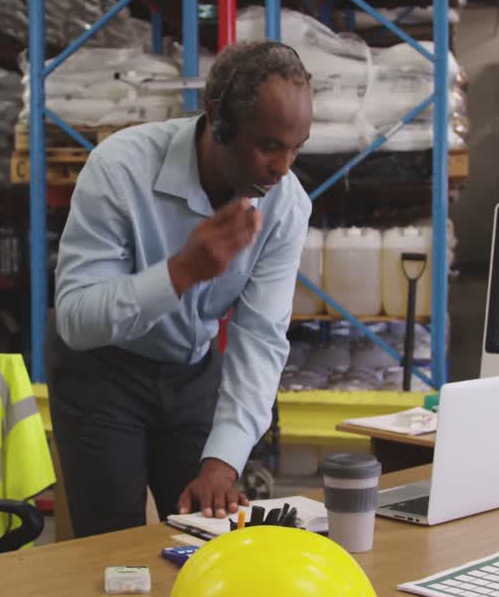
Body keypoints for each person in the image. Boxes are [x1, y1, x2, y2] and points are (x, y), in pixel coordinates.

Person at [44, 39, 314, 537]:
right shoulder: (120, 168)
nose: (283, 167)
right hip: (103, 373)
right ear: (217, 118)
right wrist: (180, 272)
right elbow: (77, 319)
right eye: (270, 146)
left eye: (296, 148)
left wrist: (225, 460)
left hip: (191, 374)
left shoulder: (286, 205)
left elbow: (261, 338)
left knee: (204, 537)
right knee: (112, 549)